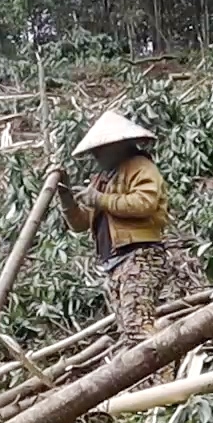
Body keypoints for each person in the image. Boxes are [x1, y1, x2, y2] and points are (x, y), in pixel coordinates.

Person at [56, 111, 179, 346]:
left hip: (140, 256)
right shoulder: (102, 179)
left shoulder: (140, 166)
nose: (95, 154)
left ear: (118, 145)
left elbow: (145, 203)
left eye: (101, 148)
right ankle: (149, 378)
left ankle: (161, 376)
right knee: (130, 331)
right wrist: (66, 196)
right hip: (116, 264)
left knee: (138, 329)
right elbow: (81, 224)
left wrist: (100, 199)